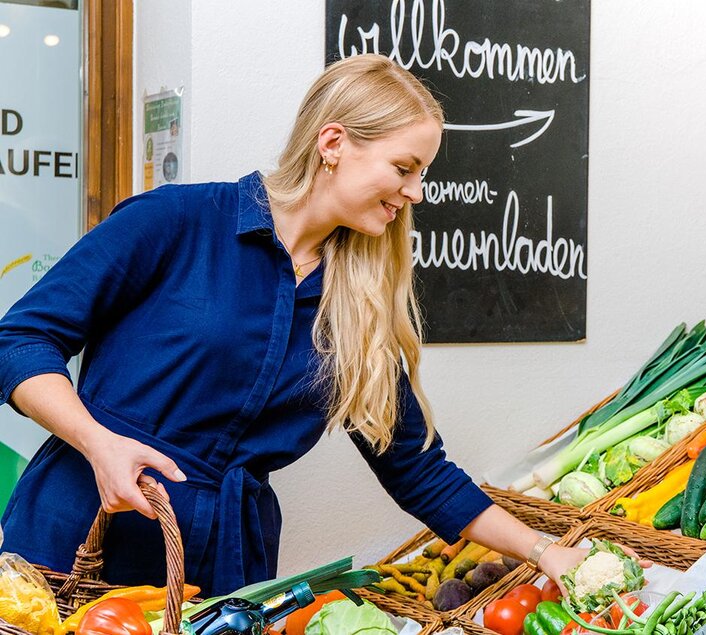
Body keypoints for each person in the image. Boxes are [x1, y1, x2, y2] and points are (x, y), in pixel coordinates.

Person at [0, 54, 603, 597]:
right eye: (404, 167)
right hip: (77, 537)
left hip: (219, 575)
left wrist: (548, 553)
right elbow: (22, 340)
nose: (415, 192)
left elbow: (418, 470)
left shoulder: (358, 305)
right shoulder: (176, 221)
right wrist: (98, 443)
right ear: (334, 142)